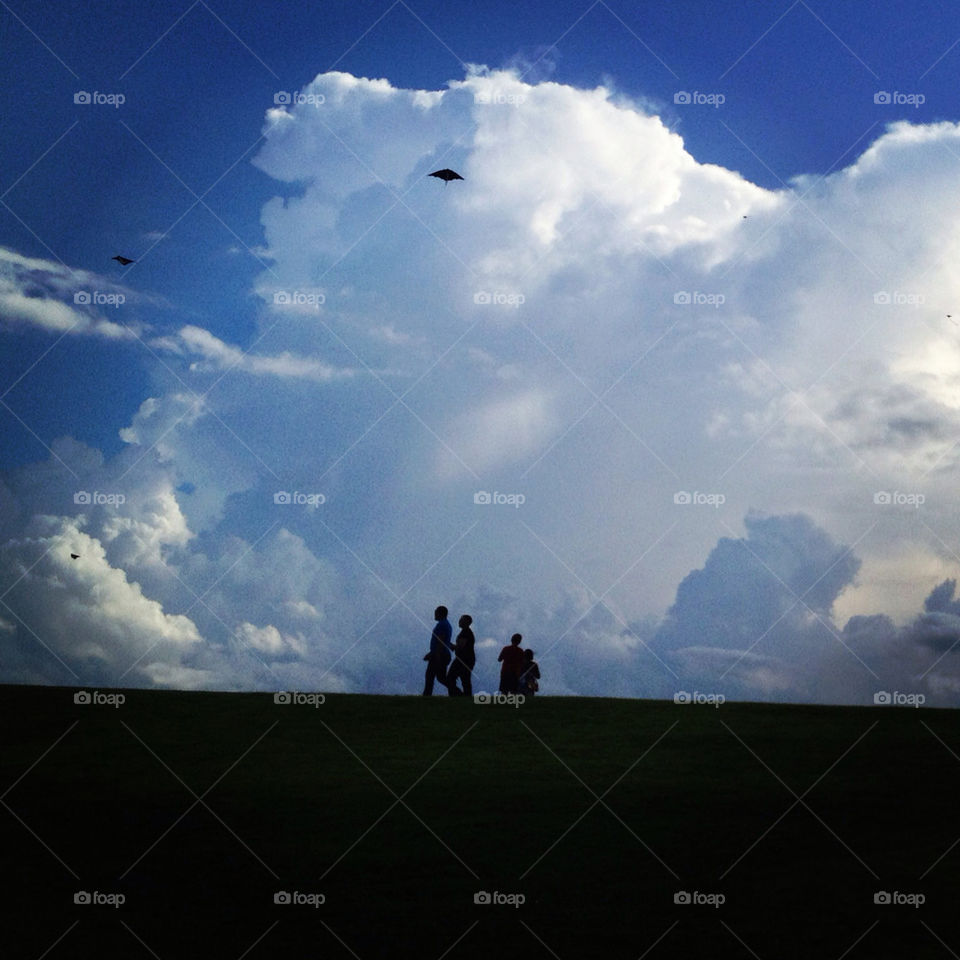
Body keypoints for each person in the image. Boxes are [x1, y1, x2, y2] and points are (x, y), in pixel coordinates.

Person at [422, 606, 454, 696]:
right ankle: (456, 692)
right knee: (440, 677)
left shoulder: (442, 625)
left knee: (431, 676)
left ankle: (426, 696)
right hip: (441, 654)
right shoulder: (445, 624)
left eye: (436, 612)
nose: (434, 614)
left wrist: (435, 655)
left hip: (440, 655)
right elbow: (444, 641)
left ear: (440, 613)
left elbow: (440, 641)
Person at [446, 615, 475, 696]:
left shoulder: (465, 633)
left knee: (451, 678)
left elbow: (460, 647)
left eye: (461, 620)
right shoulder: (466, 632)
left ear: (466, 622)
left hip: (463, 659)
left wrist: (449, 643)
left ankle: (458, 695)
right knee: (465, 680)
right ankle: (465, 696)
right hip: (465, 659)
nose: (459, 621)